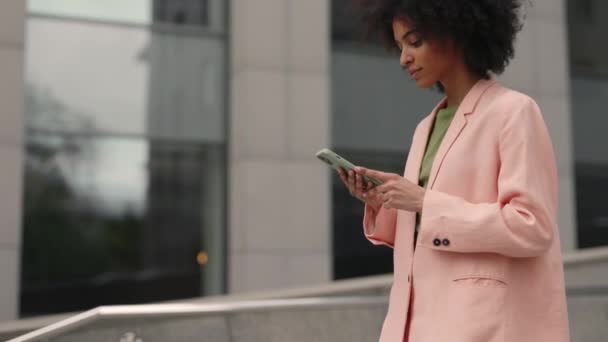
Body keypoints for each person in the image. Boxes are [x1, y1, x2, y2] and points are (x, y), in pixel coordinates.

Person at [336, 0, 570, 341]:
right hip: (414, 325)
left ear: (456, 33)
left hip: (481, 327)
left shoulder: (513, 112)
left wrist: (425, 203)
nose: (404, 59)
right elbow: (426, 227)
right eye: (400, 46)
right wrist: (383, 201)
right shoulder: (425, 127)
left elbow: (531, 226)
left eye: (415, 42)